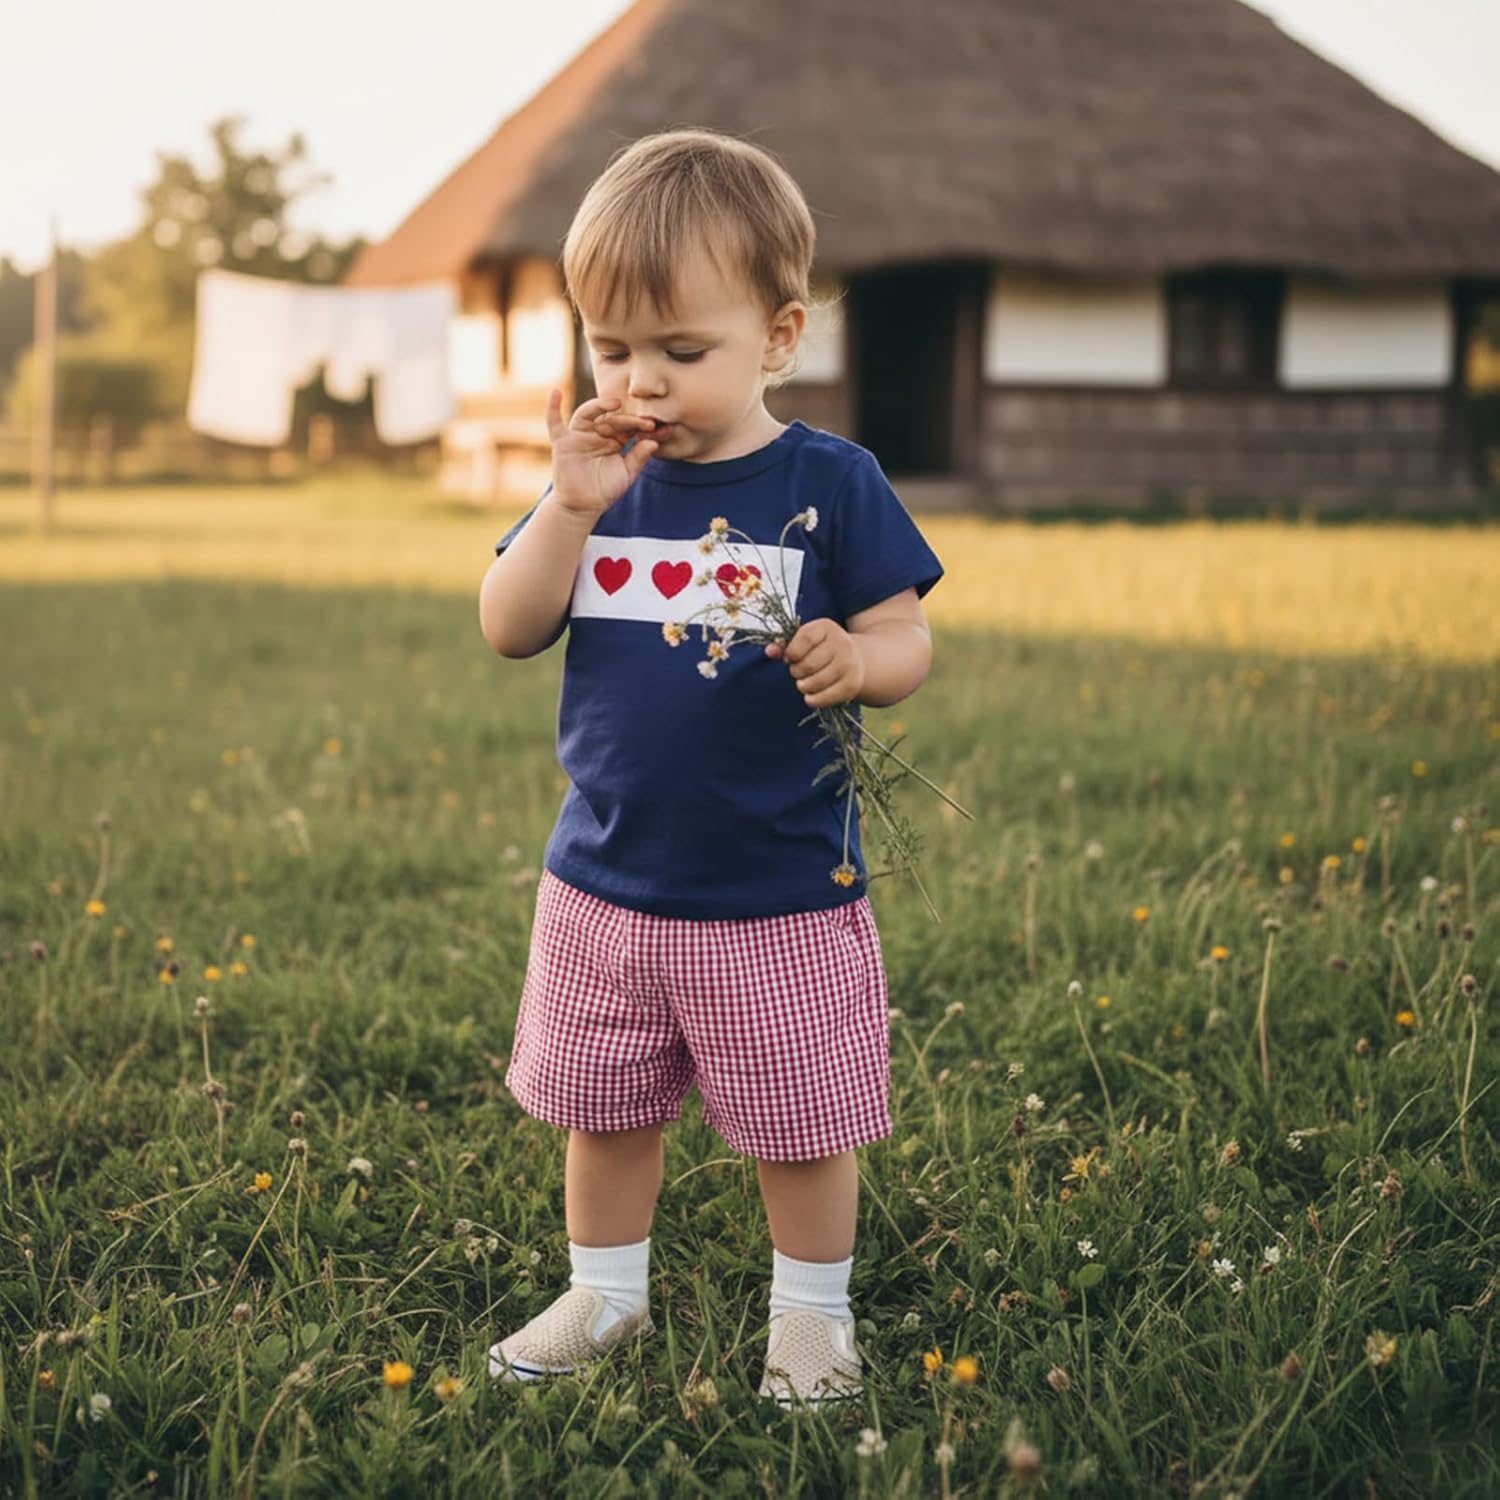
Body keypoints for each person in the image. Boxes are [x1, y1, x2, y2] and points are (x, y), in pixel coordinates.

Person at [476, 127, 944, 1407]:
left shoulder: (828, 483)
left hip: (779, 888)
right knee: (605, 1105)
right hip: (606, 882)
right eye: (614, 348)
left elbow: (910, 633)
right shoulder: (599, 488)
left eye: (686, 352)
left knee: (802, 1124)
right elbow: (510, 626)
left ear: (779, 337)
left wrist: (864, 653)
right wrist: (565, 507)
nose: (646, 383)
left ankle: (808, 1318)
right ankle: (605, 1291)